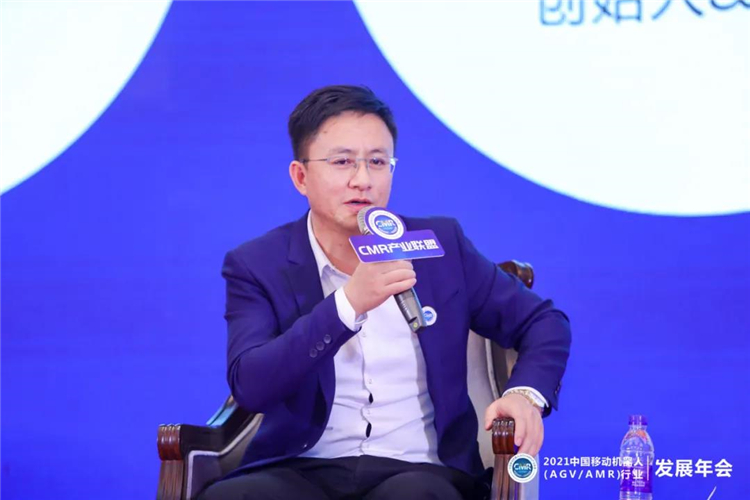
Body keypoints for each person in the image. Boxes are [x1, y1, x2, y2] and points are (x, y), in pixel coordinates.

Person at [198, 85, 571, 500]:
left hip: (419, 470)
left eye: (377, 162)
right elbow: (252, 384)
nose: (363, 180)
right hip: (299, 468)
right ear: (301, 177)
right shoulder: (257, 264)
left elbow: (543, 322)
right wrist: (347, 305)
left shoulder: (440, 247)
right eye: (343, 162)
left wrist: (524, 395)